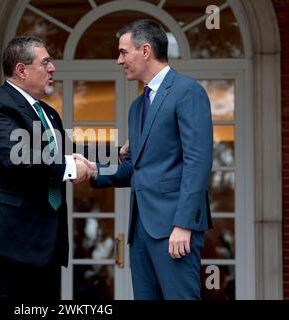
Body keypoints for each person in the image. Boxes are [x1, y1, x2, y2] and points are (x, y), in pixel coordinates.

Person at [75, 20, 213, 300]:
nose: (119, 60)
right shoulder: (137, 106)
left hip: (175, 228)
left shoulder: (188, 91)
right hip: (140, 232)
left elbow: (197, 162)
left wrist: (184, 224)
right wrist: (94, 170)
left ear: (146, 50)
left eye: (124, 52)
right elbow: (136, 168)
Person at [0, 36, 89, 300]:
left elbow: (64, 154)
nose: (52, 68)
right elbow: (18, 156)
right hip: (2, 240)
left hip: (44, 242)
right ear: (21, 70)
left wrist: (118, 155)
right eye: (46, 63)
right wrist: (69, 166)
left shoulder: (49, 113)